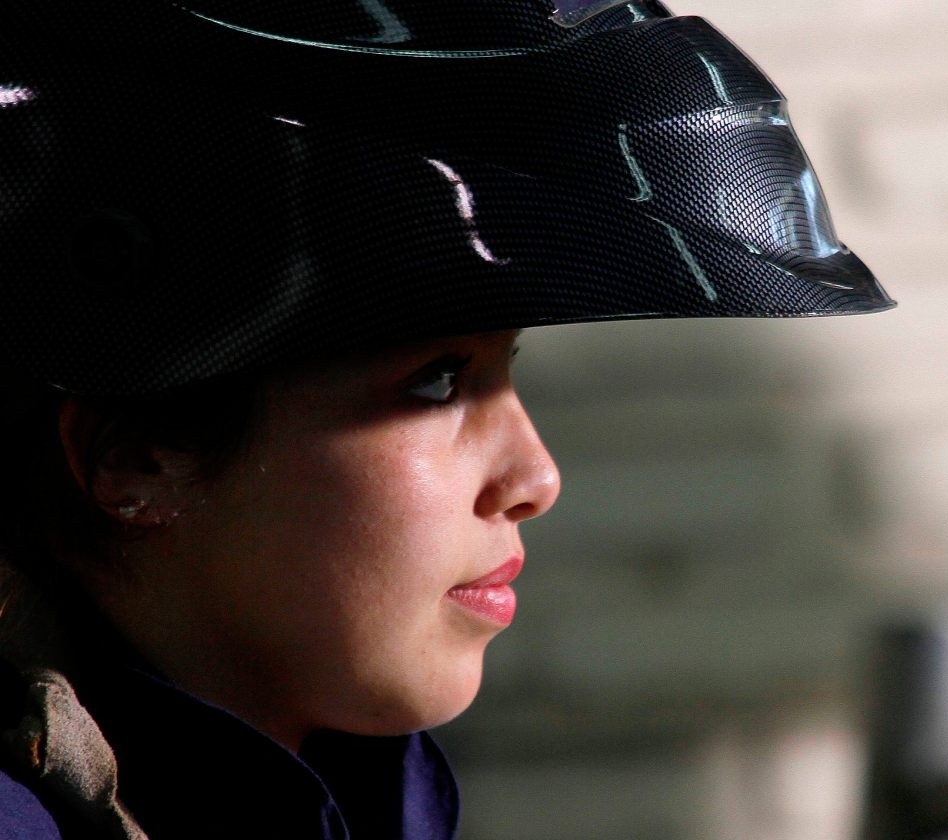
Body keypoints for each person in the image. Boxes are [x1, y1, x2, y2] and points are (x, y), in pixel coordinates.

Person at [0, 1, 893, 836]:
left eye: (506, 369)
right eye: (437, 382)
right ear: (136, 459)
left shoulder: (346, 771)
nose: (537, 479)